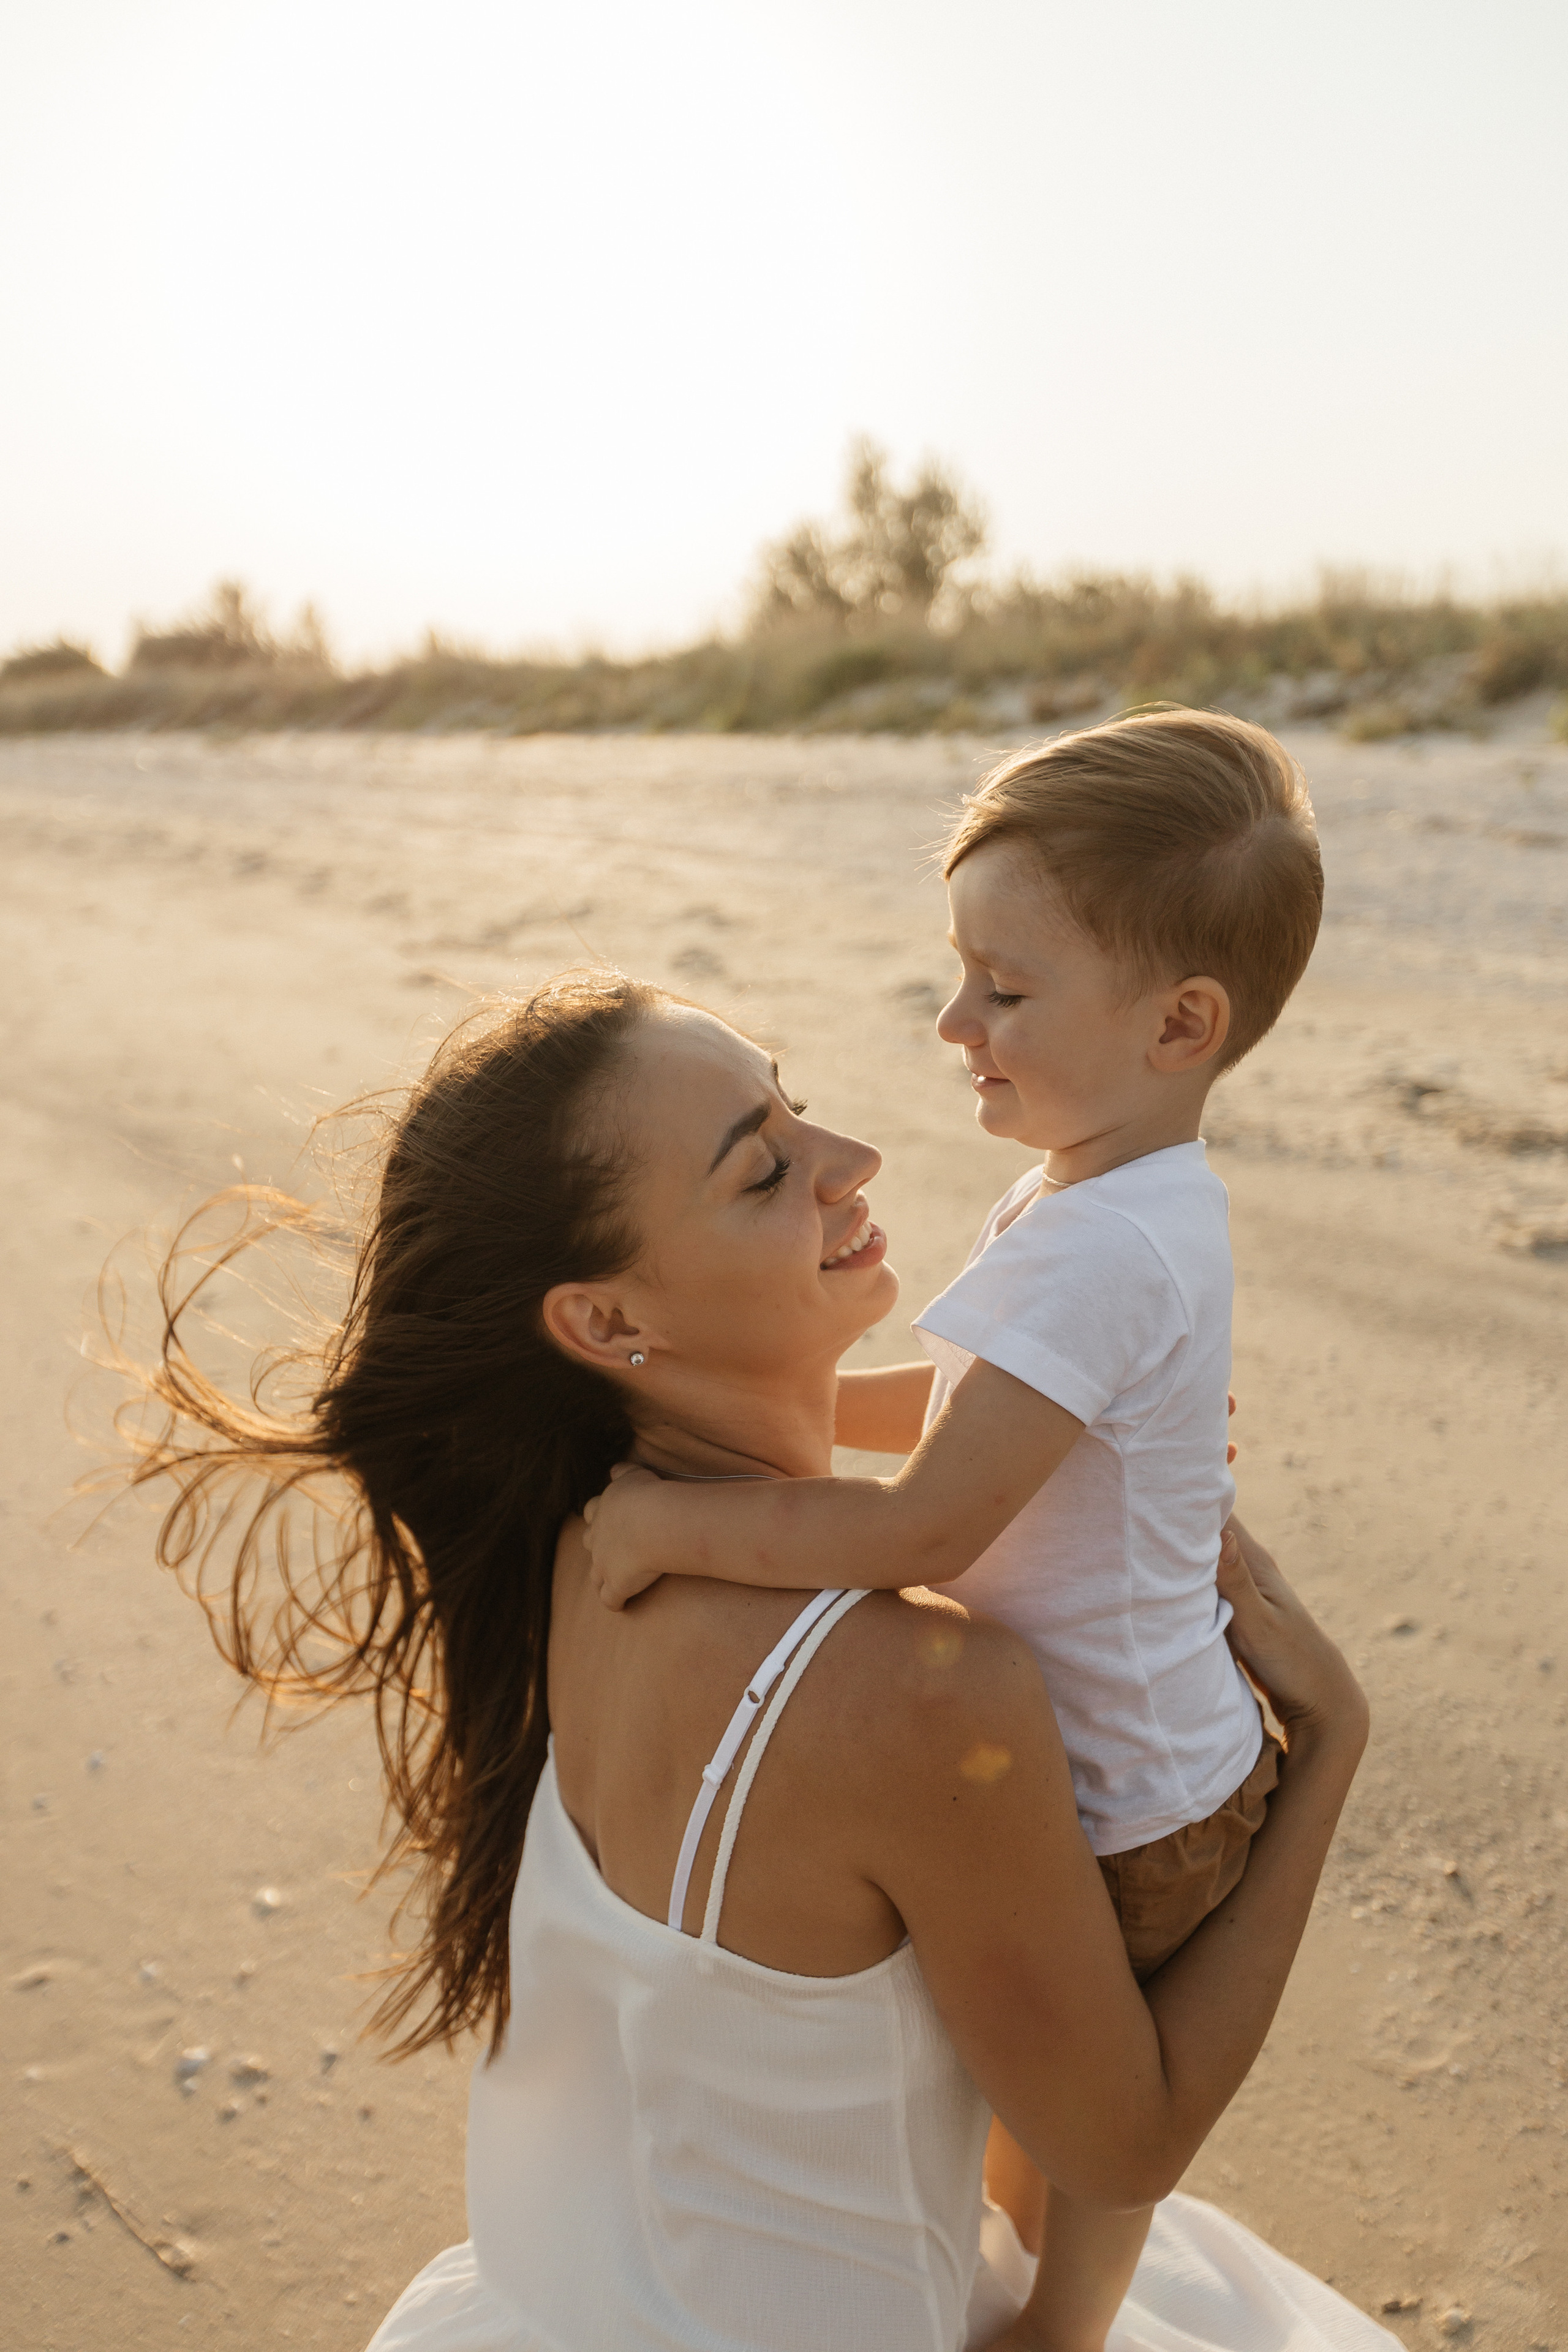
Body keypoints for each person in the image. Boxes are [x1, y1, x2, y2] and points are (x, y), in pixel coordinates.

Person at [121, 972, 1377, 2352]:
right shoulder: (913, 1695)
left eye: (799, 1105)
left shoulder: (583, 1545)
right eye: (765, 1168)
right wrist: (1325, 1753)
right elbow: (1118, 2146)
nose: (853, 1164)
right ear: (601, 1323)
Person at [581, 713, 1324, 2343]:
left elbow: (918, 1517)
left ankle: (1065, 2327)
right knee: (1022, 2081)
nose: (951, 1022)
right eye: (959, 974)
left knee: (1086, 2122)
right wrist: (741, 1418)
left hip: (1144, 1791)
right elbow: (957, 1408)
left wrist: (679, 1532)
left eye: (1006, 991)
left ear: (1181, 1024)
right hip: (1115, 1737)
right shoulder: (1090, 1191)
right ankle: (1028, 2277)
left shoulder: (1101, 1248)